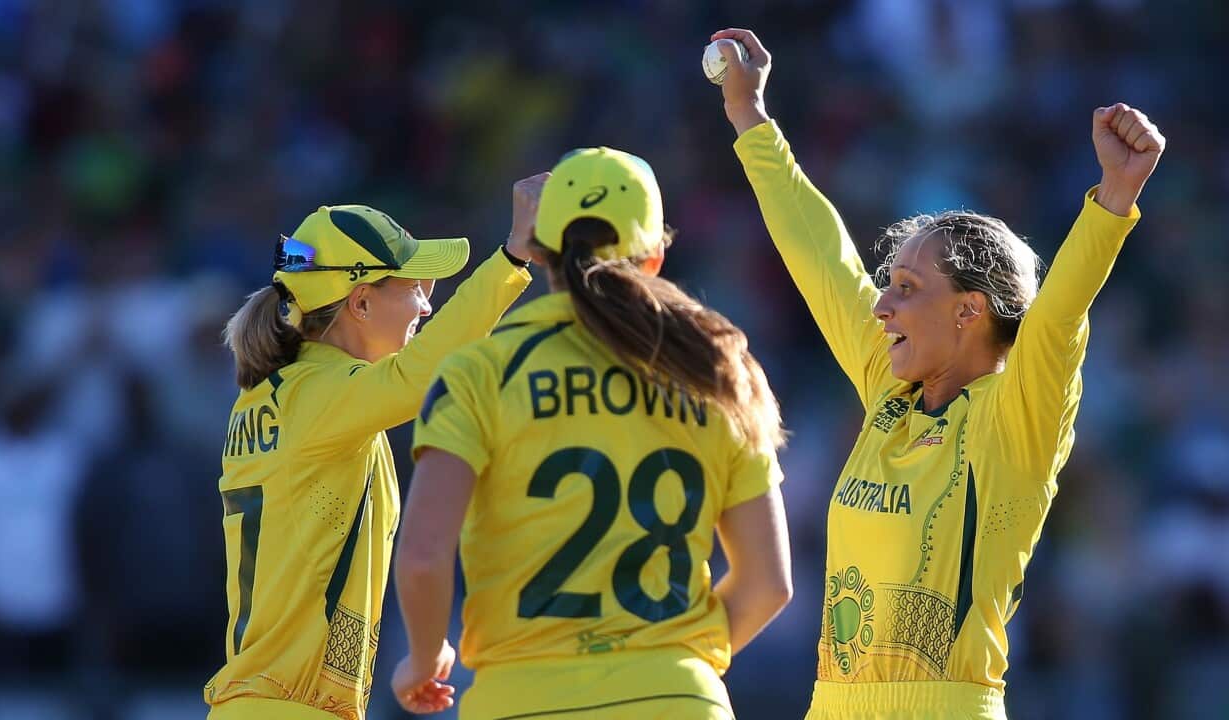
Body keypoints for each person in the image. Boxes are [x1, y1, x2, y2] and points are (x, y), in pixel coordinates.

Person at [710, 27, 1165, 720]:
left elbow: (1057, 320)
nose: (883, 305)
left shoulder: (1014, 419)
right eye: (888, 285)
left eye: (907, 288)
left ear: (968, 312)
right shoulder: (888, 388)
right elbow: (819, 254)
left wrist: (1112, 197)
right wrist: (751, 117)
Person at [390, 147, 794, 718]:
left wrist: (424, 659)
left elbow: (424, 556)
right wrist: (672, 660)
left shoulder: (482, 371)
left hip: (523, 700)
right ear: (653, 258)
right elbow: (769, 585)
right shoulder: (718, 369)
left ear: (538, 250)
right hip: (679, 700)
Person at [204, 177, 545, 720]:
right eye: (416, 286)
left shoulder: (289, 394)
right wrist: (513, 260)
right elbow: (423, 375)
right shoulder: (321, 397)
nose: (428, 307)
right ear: (360, 301)